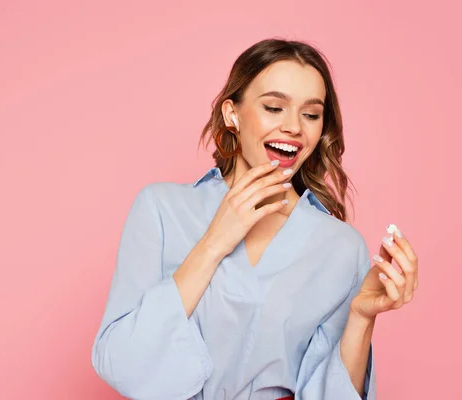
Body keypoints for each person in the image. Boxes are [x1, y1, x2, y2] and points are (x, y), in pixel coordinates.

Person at [91, 38, 419, 400]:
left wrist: (361, 317)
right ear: (232, 114)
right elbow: (123, 363)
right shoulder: (161, 209)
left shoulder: (341, 247)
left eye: (311, 114)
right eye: (274, 107)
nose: (294, 127)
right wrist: (215, 242)